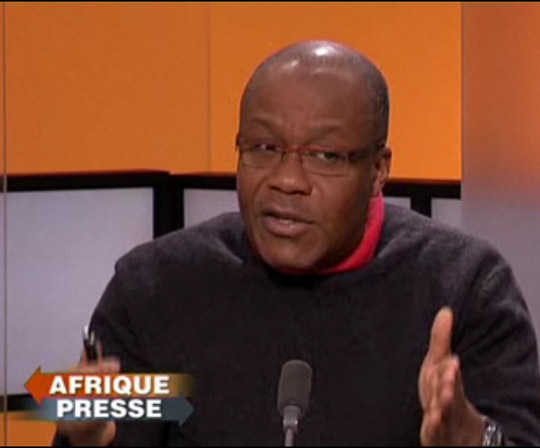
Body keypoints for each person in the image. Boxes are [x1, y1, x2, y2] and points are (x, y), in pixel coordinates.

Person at [55, 40, 540, 446]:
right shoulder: (156, 290)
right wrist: (84, 441)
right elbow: (102, 429)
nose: (287, 180)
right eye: (264, 148)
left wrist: (477, 441)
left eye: (325, 156)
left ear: (378, 171)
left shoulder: (463, 287)